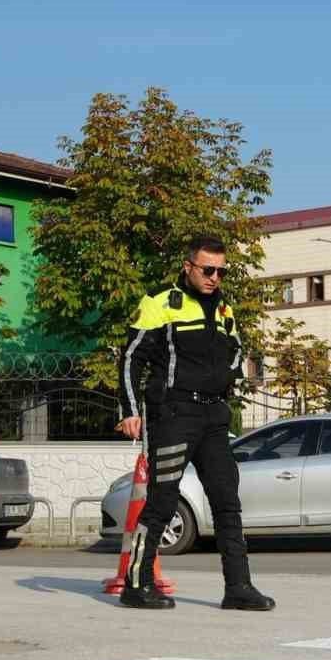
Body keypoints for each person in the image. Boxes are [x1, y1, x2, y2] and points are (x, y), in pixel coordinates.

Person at [114, 237, 273, 612]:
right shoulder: (160, 304)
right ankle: (136, 584)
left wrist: (231, 375)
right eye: (207, 270)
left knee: (227, 502)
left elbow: (237, 349)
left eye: (221, 271)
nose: (214, 277)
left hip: (215, 417)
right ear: (188, 267)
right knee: (162, 502)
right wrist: (130, 409)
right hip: (172, 414)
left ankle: (238, 588)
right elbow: (130, 359)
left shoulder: (225, 311)